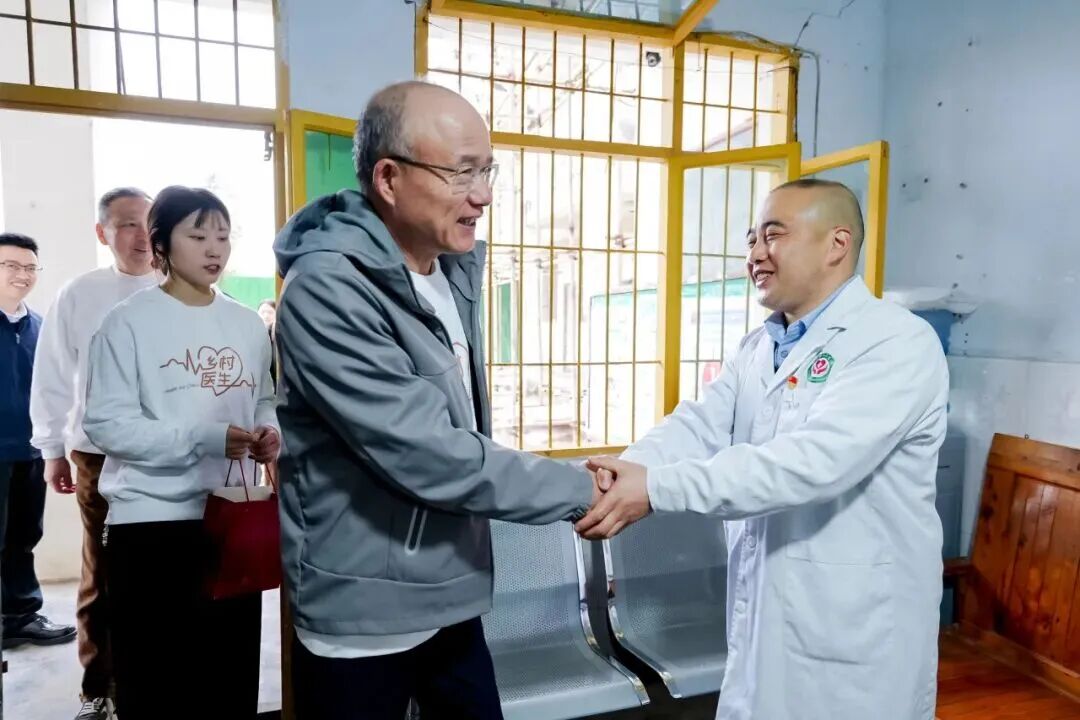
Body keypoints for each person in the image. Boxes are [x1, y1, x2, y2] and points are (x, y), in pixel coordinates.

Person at [274, 80, 602, 720]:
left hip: (448, 589)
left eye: (487, 171)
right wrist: (584, 489)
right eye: (460, 173)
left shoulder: (450, 269)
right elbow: (428, 453)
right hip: (365, 613)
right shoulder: (327, 290)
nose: (482, 195)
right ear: (389, 178)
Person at [579, 179, 949, 720]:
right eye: (752, 238)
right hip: (768, 611)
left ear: (837, 244)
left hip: (855, 623)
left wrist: (655, 488)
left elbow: (813, 464)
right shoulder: (760, 345)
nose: (755, 254)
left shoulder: (895, 342)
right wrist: (626, 471)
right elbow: (698, 424)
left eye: (773, 235)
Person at [83, 186, 279, 719]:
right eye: (197, 236)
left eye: (223, 236)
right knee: (157, 682)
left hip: (231, 521)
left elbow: (263, 398)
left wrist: (268, 430)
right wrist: (204, 437)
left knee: (229, 676)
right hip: (153, 526)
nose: (214, 249)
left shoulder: (245, 323)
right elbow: (107, 425)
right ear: (161, 245)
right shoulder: (127, 323)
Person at [29, 187, 158, 720]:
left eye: (148, 222)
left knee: (164, 575)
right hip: (98, 456)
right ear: (102, 233)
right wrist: (51, 448)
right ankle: (98, 688)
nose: (141, 235)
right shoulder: (81, 293)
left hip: (168, 456)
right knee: (102, 573)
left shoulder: (181, 287)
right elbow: (53, 375)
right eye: (127, 224)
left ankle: (155, 683)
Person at [0, 233, 77, 650]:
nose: (22, 275)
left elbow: (53, 390)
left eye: (30, 267)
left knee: (24, 537)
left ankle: (20, 616)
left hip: (29, 451)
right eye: (11, 265)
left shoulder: (40, 327)